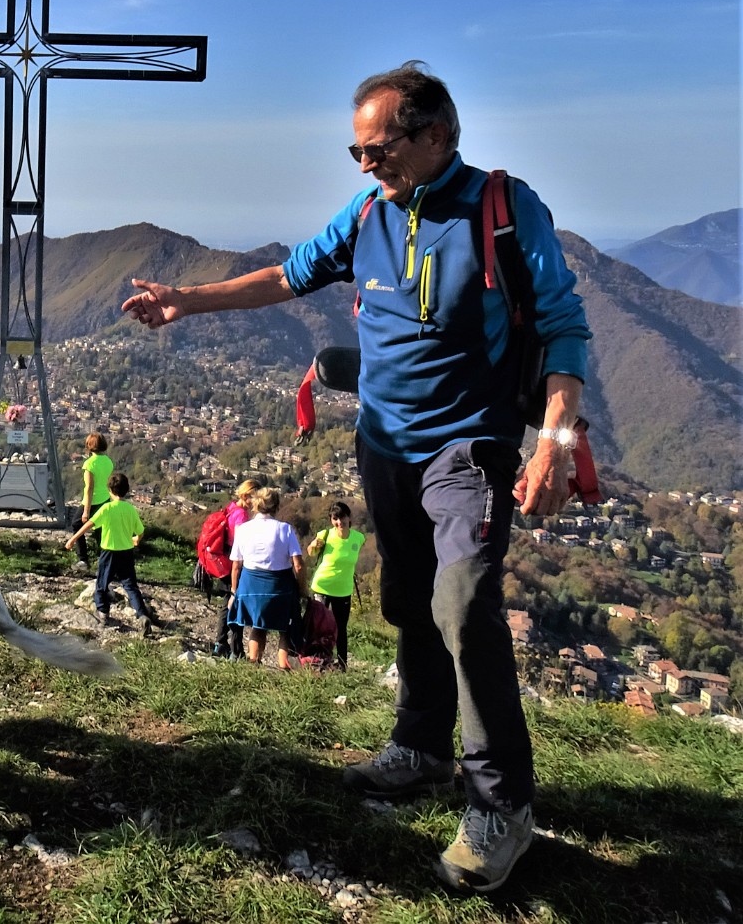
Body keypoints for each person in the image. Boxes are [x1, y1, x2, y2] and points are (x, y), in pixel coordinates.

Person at [122, 61, 590, 893]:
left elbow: (561, 326)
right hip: (386, 443)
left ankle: (500, 803)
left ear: (437, 133)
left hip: (467, 447)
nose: (367, 163)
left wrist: (554, 437)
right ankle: (420, 747)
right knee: (409, 600)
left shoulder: (503, 210)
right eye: (357, 150)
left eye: (381, 147)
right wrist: (185, 300)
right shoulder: (370, 210)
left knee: (463, 603)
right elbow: (288, 273)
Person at [227, 487, 307, 668]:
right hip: (280, 588)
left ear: (255, 505)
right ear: (276, 506)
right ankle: (284, 668)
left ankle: (253, 663)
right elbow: (298, 565)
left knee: (257, 625)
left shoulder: (243, 529)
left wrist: (234, 592)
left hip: (250, 587)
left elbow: (236, 566)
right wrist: (302, 589)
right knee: (285, 629)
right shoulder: (285, 529)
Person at [64, 472, 151, 634]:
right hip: (126, 552)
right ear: (127, 490)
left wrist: (73, 539)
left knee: (102, 584)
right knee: (131, 586)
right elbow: (140, 530)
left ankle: (103, 614)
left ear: (110, 490)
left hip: (109, 552)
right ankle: (142, 615)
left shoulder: (107, 508)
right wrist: (136, 540)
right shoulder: (130, 509)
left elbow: (88, 525)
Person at [305, 501, 366, 670]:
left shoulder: (358, 538)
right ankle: (316, 661)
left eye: (342, 517)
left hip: (344, 590)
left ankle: (343, 664)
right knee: (318, 627)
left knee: (341, 629)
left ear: (349, 517)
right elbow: (311, 553)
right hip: (322, 587)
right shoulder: (324, 535)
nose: (339, 522)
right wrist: (313, 545)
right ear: (331, 520)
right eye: (335, 518)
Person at [207, 479, 261, 659]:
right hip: (235, 562)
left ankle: (220, 643)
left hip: (224, 559)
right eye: (254, 498)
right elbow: (240, 542)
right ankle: (236, 649)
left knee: (227, 603)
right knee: (236, 602)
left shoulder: (231, 508)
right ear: (247, 496)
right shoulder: (242, 515)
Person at [69, 433, 113, 570]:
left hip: (92, 500)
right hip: (105, 499)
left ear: (89, 446)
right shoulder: (108, 461)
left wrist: (86, 512)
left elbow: (89, 488)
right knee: (101, 530)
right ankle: (106, 562)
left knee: (76, 524)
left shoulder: (89, 464)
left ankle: (83, 560)